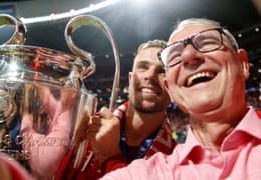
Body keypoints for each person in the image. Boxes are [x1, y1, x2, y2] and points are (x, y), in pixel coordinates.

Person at [100, 18, 261, 179]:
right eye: (175, 55)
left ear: (242, 64)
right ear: (170, 89)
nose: (189, 55)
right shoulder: (153, 171)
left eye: (206, 43)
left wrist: (112, 159)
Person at [55, 39, 176, 179]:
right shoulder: (88, 127)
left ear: (173, 87)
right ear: (130, 79)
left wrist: (111, 157)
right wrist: (70, 149)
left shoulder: (176, 162)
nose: (150, 76)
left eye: (162, 71)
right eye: (143, 67)